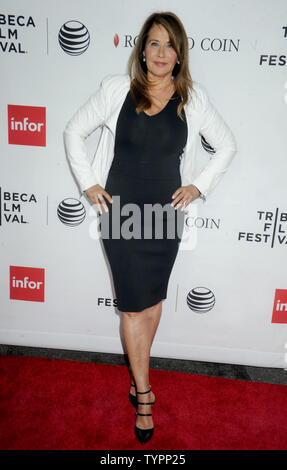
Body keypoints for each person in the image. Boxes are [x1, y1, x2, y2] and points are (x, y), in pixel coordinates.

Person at [63, 11, 237, 444]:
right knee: (132, 308)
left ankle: (138, 375)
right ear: (142, 49)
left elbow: (228, 145)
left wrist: (198, 186)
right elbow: (73, 131)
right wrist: (89, 184)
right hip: (120, 213)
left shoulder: (192, 99)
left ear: (180, 55)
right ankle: (144, 394)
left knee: (154, 304)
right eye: (154, 44)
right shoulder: (115, 89)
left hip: (165, 217)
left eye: (170, 45)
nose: (161, 53)